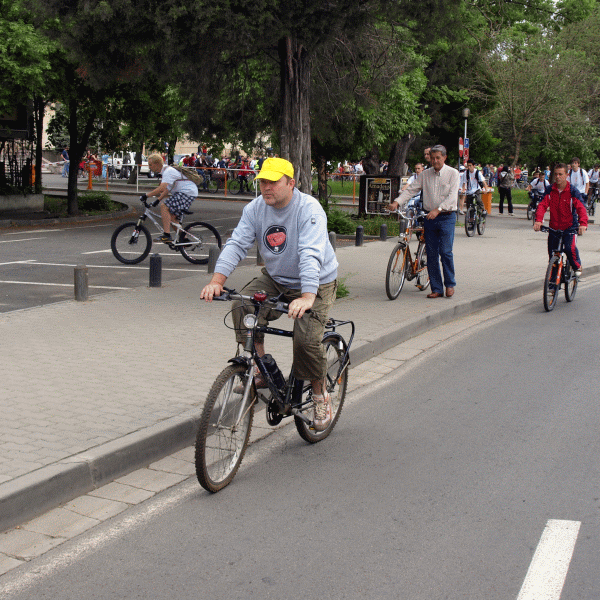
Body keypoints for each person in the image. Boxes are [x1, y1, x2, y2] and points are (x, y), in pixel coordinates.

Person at [200, 157, 338, 431]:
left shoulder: (309, 209)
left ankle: (321, 394)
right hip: (276, 279)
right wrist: (217, 280)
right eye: (262, 181)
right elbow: (237, 243)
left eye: (273, 181)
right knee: (242, 306)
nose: (266, 187)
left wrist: (308, 296)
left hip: (316, 283)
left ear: (291, 183)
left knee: (305, 341)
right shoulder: (255, 209)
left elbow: (310, 254)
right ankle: (261, 367)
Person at [387, 144, 460, 299]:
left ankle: (450, 284)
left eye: (438, 158)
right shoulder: (425, 174)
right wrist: (397, 202)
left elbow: (452, 197)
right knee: (431, 254)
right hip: (429, 217)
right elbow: (411, 190)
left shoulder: (453, 173)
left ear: (444, 158)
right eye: (432, 158)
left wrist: (438, 210)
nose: (435, 161)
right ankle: (436, 288)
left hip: (446, 216)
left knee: (445, 252)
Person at [533, 163, 588, 277]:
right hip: (554, 228)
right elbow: (542, 205)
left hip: (570, 227)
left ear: (566, 175)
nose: (557, 177)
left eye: (560, 174)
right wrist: (538, 220)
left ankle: (577, 265)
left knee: (569, 248)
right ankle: (553, 285)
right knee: (552, 257)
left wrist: (583, 224)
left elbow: (581, 208)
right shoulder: (550, 189)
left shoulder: (573, 191)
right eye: (556, 174)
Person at [144, 153, 198, 243]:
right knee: (172, 218)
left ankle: (166, 235)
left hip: (187, 192)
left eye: (150, 164)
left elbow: (162, 188)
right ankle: (184, 240)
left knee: (164, 206)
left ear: (157, 164)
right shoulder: (166, 171)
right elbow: (167, 189)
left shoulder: (168, 171)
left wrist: (146, 195)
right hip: (187, 192)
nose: (149, 167)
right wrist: (158, 200)